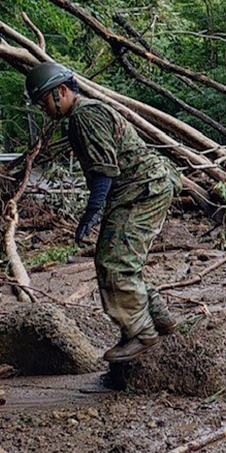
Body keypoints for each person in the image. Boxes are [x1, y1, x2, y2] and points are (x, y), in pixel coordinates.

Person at [23, 61, 181, 363]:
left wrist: (93, 210)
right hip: (140, 187)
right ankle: (159, 319)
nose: (44, 109)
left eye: (44, 101)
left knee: (115, 262)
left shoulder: (85, 115)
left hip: (143, 188)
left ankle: (141, 334)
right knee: (118, 259)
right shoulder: (84, 114)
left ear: (62, 91)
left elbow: (104, 169)